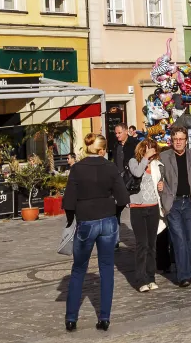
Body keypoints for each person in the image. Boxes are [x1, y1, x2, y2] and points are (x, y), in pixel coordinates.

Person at [61, 131, 130, 332]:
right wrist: (114, 213)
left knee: (78, 269)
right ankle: (105, 318)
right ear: (102, 149)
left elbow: (69, 201)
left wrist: (70, 220)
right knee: (107, 268)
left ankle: (71, 319)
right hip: (108, 220)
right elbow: (124, 198)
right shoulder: (110, 167)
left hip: (86, 221)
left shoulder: (78, 168)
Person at [156, 124, 191, 287]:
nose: (178, 142)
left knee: (188, 239)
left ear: (186, 141)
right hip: (173, 203)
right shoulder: (164, 157)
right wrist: (160, 184)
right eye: (175, 139)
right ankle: (183, 276)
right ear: (171, 140)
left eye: (181, 139)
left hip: (190, 203)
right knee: (178, 239)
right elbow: (159, 176)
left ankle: (190, 273)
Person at [127, 139, 162, 292]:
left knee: (152, 245)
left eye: (155, 151)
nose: (154, 153)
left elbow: (159, 182)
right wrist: (146, 158)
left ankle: (151, 277)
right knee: (142, 244)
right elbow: (137, 173)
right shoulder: (133, 161)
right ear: (143, 149)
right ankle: (141, 280)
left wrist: (162, 185)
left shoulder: (156, 165)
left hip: (153, 207)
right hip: (138, 208)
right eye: (151, 150)